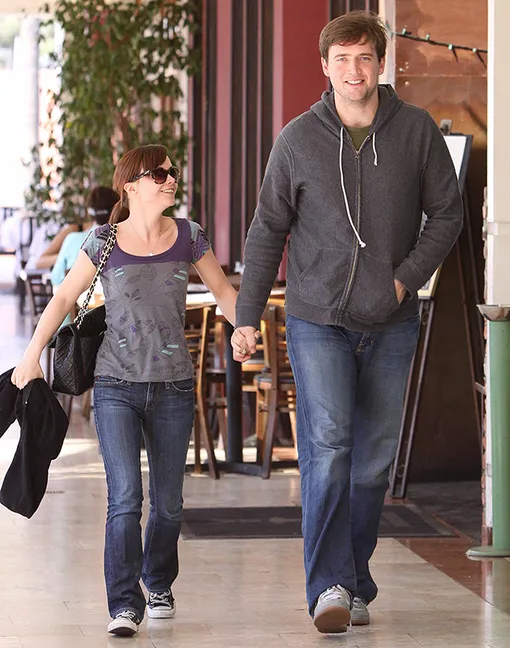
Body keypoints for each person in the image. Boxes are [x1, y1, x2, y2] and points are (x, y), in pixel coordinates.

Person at [231, 11, 463, 634]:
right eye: (342, 59)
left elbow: (447, 213)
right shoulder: (297, 139)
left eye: (364, 58)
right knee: (329, 447)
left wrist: (403, 279)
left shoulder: (415, 131)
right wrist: (246, 315)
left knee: (371, 463)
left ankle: (354, 576)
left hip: (392, 319)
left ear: (381, 65)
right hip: (317, 319)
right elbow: (266, 231)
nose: (354, 70)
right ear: (325, 66)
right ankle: (329, 586)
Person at [12, 144, 245, 637]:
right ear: (131, 185)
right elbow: (64, 296)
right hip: (115, 385)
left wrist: (242, 329)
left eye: (172, 172)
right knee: (125, 498)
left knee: (169, 503)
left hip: (174, 386)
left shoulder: (190, 237)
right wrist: (32, 354)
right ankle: (123, 603)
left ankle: (158, 582)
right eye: (159, 173)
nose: (171, 179)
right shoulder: (103, 241)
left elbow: (225, 293)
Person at [50, 186, 119, 287]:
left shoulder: (72, 239)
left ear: (89, 213)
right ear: (118, 209)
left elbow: (56, 279)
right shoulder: (126, 240)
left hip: (78, 296)